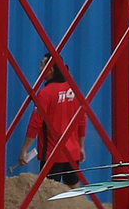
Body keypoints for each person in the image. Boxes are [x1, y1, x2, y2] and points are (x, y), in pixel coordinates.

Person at [19, 55, 86, 186]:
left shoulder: (45, 93)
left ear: (51, 70)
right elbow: (82, 120)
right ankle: (80, 207)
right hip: (72, 152)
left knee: (48, 192)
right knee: (73, 188)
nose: (39, 68)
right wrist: (81, 147)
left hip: (52, 153)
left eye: (42, 65)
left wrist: (24, 149)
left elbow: (35, 123)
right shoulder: (74, 89)